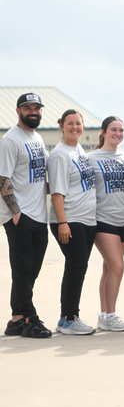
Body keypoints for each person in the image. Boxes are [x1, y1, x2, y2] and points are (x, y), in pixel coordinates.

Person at [1, 93, 51, 338]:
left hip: (40, 215)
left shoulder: (38, 137)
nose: (33, 111)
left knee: (30, 270)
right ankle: (32, 319)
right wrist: (15, 212)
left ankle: (16, 319)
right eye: (28, 108)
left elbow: (40, 176)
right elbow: (2, 178)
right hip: (20, 216)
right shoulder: (10, 140)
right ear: (18, 110)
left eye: (37, 108)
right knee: (23, 270)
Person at [48, 109, 97, 335]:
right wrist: (62, 222)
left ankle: (65, 318)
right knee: (77, 267)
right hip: (70, 219)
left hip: (86, 220)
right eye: (70, 123)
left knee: (76, 268)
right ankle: (70, 319)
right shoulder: (60, 155)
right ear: (61, 125)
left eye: (78, 123)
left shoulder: (78, 149)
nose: (75, 127)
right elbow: (57, 193)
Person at [87, 116, 124, 332]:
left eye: (121, 130)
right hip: (103, 220)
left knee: (108, 268)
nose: (118, 133)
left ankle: (104, 316)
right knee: (117, 267)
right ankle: (111, 315)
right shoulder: (91, 158)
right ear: (103, 132)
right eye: (113, 129)